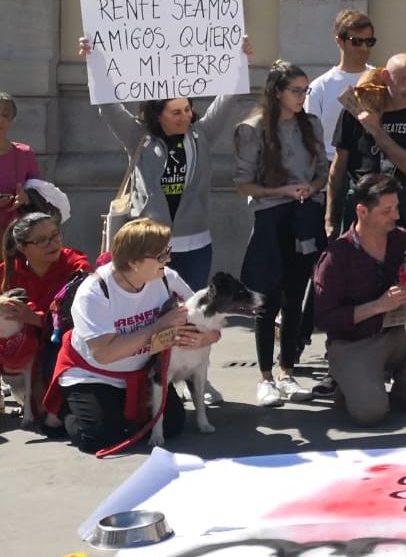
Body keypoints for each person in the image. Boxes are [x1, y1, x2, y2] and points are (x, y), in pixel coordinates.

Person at [80, 36, 254, 291]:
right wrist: (93, 63)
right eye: (176, 112)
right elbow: (107, 106)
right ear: (157, 115)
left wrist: (241, 61)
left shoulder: (201, 135)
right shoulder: (138, 136)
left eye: (187, 109)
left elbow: (228, 99)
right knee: (151, 315)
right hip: (148, 247)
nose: (185, 116)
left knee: (187, 313)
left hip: (195, 245)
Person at [44, 218, 207, 454]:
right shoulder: (94, 292)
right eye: (161, 256)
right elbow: (105, 354)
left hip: (142, 370)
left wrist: (206, 337)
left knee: (171, 426)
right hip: (95, 373)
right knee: (97, 438)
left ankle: (120, 413)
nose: (168, 260)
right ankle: (63, 409)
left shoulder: (165, 277)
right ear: (133, 261)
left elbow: (202, 316)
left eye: (167, 252)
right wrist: (157, 327)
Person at [313, 173, 406, 426]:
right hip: (352, 344)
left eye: (397, 208)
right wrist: (378, 306)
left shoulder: (403, 239)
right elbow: (324, 319)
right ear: (362, 211)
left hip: (397, 330)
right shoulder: (336, 256)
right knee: (371, 413)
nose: (396, 216)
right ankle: (350, 385)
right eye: (387, 210)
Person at [233, 60, 328, 407]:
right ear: (277, 92)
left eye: (306, 90)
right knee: (266, 300)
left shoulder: (311, 124)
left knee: (294, 297)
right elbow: (243, 183)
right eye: (296, 90)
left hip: (305, 213)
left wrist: (311, 188)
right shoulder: (253, 128)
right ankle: (265, 377)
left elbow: (322, 170)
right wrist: (283, 192)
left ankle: (288, 370)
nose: (302, 96)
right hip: (271, 217)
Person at [327, 53, 406, 239]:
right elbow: (339, 166)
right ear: (385, 77)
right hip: (361, 201)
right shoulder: (356, 110)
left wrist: (376, 131)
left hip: (402, 204)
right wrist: (330, 216)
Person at [2, 211, 91, 428]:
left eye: (55, 236)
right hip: (16, 347)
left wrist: (34, 318)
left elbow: (81, 318)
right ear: (23, 247)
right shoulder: (10, 271)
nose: (52, 244)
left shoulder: (75, 265)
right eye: (42, 240)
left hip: (58, 344)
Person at [306, 10, 377, 161]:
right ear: (339, 41)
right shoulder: (320, 87)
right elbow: (309, 138)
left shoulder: (380, 79)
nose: (364, 48)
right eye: (356, 42)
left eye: (369, 41)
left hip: (371, 164)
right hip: (330, 164)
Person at [0, 91, 42, 231]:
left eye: (5, 115)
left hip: (17, 236)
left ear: (12, 119)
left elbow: (40, 194)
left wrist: (26, 198)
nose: (1, 120)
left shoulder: (24, 154)